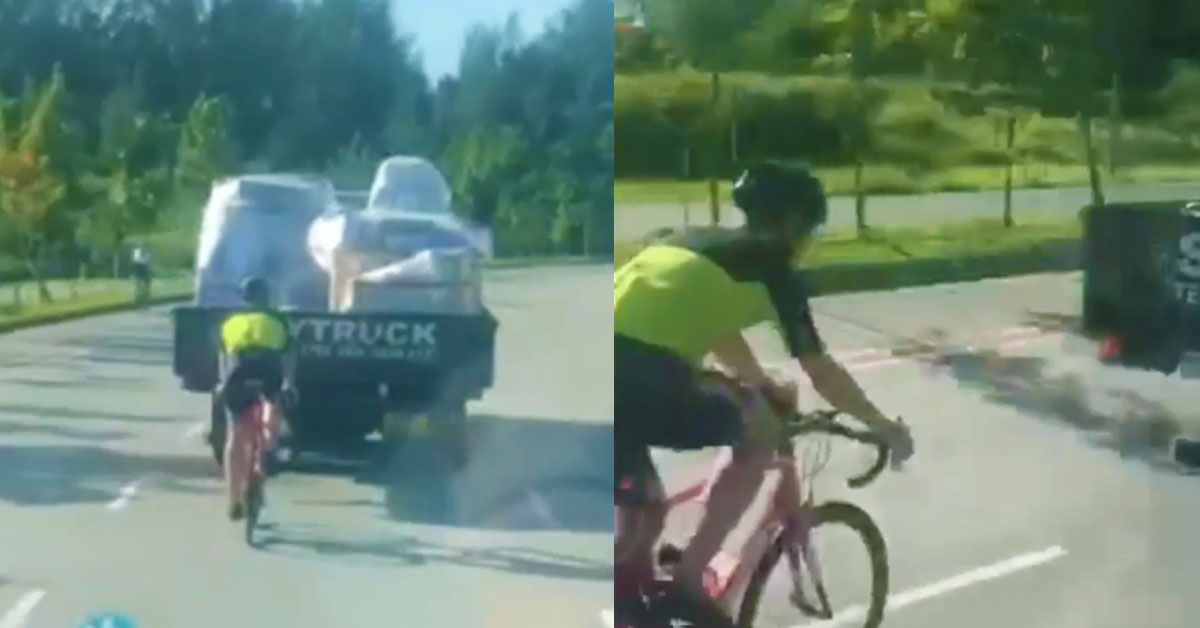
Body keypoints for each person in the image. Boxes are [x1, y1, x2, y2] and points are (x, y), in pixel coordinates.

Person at [613, 162, 915, 612]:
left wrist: (759, 381)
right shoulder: (774, 271)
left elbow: (716, 329)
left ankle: (632, 604)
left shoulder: (687, 242)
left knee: (646, 518)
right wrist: (881, 425)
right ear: (793, 223)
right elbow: (819, 368)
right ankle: (689, 581)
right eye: (810, 229)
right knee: (759, 433)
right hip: (645, 375)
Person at [217, 276, 295, 520]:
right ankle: (268, 449)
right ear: (267, 297)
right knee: (273, 406)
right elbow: (289, 354)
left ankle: (233, 499)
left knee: (235, 435)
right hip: (268, 374)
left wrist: (222, 384)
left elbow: (224, 357)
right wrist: (289, 383)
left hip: (237, 377)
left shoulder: (230, 322)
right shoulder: (278, 320)